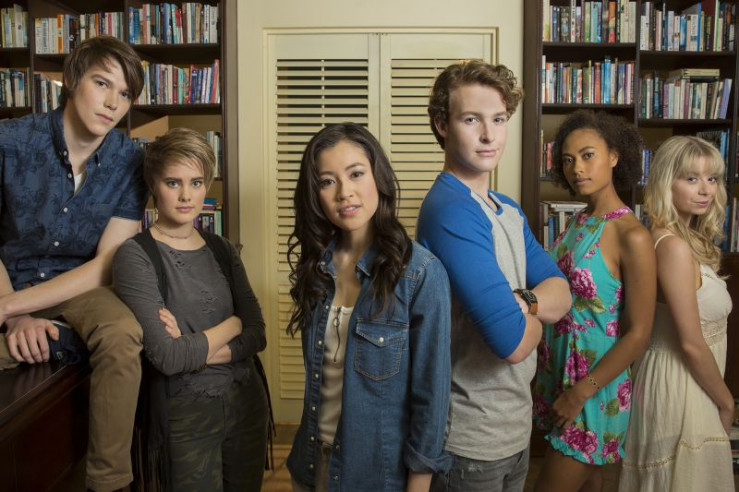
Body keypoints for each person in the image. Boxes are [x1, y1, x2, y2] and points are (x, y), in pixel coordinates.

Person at [417, 60, 571, 491]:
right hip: (470, 440)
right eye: (471, 119)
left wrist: (522, 303)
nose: (489, 135)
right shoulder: (451, 209)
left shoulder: (506, 208)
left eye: (499, 119)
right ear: (442, 124)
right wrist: (536, 313)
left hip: (512, 428)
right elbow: (512, 343)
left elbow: (563, 292)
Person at [0, 36, 145, 491]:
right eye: (102, 84)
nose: (113, 103)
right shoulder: (9, 141)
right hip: (8, 279)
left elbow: (107, 265)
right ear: (70, 79)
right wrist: (15, 312)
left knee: (123, 334)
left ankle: (109, 483)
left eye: (125, 94)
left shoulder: (131, 160)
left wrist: (8, 311)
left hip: (83, 285)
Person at [286, 123, 452, 492]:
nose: (344, 192)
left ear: (378, 176)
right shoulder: (316, 267)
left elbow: (432, 397)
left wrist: (419, 485)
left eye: (356, 174)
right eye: (327, 181)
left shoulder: (420, 273)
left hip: (377, 475)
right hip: (310, 464)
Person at [113, 127, 269, 491]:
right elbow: (167, 357)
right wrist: (232, 324)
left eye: (196, 182)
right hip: (185, 416)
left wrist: (193, 348)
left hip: (247, 403)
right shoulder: (135, 256)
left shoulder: (222, 249)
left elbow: (257, 333)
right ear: (153, 185)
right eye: (173, 182)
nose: (186, 195)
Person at [531, 110, 656, 491]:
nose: (577, 169)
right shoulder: (578, 221)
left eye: (588, 156)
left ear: (614, 156)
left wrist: (580, 392)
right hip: (560, 378)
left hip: (592, 392)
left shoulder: (632, 235)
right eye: (568, 160)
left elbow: (639, 333)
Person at [619, 135, 734, 491]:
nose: (706, 190)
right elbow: (691, 343)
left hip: (688, 379)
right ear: (666, 182)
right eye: (691, 178)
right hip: (681, 382)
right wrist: (727, 402)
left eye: (712, 178)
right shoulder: (672, 247)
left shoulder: (683, 239)